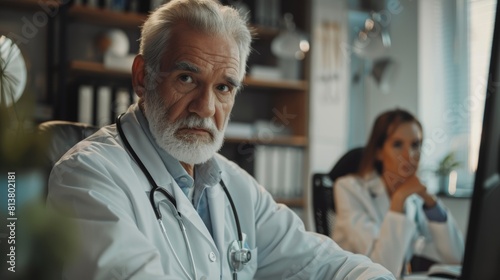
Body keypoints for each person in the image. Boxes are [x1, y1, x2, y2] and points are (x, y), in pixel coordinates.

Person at [46, 0, 395, 279]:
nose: (205, 107)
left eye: (224, 87)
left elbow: (319, 262)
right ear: (142, 77)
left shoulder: (234, 185)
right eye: (186, 78)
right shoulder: (86, 176)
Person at [331, 108, 464, 277]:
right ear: (379, 152)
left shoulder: (414, 200)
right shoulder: (348, 188)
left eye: (415, 145)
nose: (409, 156)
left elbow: (457, 259)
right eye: (397, 145)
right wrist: (398, 199)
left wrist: (431, 203)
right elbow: (380, 269)